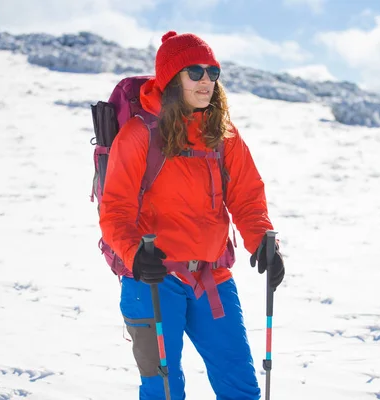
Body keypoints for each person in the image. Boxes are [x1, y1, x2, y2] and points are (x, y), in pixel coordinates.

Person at [99, 30, 285, 400]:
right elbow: (115, 209)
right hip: (151, 280)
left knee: (241, 388)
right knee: (164, 390)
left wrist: (264, 241)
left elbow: (247, 196)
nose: (206, 81)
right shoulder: (139, 135)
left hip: (211, 275)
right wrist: (135, 255)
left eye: (213, 72)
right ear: (172, 78)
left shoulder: (223, 134)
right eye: (195, 72)